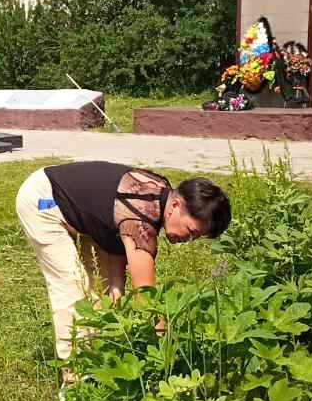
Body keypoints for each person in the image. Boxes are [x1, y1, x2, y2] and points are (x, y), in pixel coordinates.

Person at [16, 161, 231, 384]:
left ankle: (99, 368)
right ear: (176, 205)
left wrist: (116, 294)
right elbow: (147, 299)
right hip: (44, 200)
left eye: (196, 237)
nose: (188, 240)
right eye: (190, 231)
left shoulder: (160, 197)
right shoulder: (141, 222)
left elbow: (118, 264)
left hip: (85, 213)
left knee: (103, 295)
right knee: (73, 291)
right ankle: (74, 384)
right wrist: (165, 358)